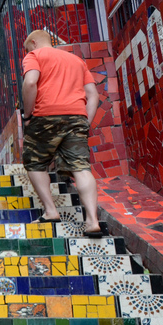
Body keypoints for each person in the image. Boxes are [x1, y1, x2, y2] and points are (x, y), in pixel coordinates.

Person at [20, 29, 104, 236]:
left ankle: (50, 211)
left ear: (33, 42)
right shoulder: (76, 60)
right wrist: (85, 122)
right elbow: (93, 95)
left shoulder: (34, 56)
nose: (27, 50)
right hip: (76, 117)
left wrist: (27, 115)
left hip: (45, 116)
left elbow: (30, 82)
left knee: (35, 162)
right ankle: (92, 221)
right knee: (81, 167)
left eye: (27, 47)